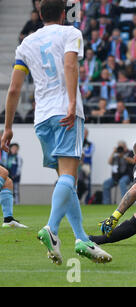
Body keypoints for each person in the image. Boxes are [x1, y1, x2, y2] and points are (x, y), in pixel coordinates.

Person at [1, 0, 111, 264]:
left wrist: (7, 127)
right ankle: (51, 229)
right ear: (63, 14)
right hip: (65, 113)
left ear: (40, 14)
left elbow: (14, 89)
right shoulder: (71, 33)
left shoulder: (26, 43)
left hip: (41, 118)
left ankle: (82, 238)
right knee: (69, 177)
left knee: (66, 178)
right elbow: (70, 66)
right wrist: (72, 103)